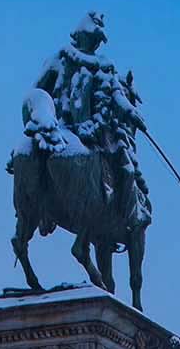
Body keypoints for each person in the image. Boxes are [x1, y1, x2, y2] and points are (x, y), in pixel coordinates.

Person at [33, 12, 152, 236]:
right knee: (125, 167)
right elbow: (39, 91)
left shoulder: (103, 67)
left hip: (95, 130)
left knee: (124, 167)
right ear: (81, 36)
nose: (95, 42)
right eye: (93, 37)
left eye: (98, 39)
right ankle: (129, 216)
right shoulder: (60, 59)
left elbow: (117, 96)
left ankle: (124, 215)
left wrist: (132, 114)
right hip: (64, 126)